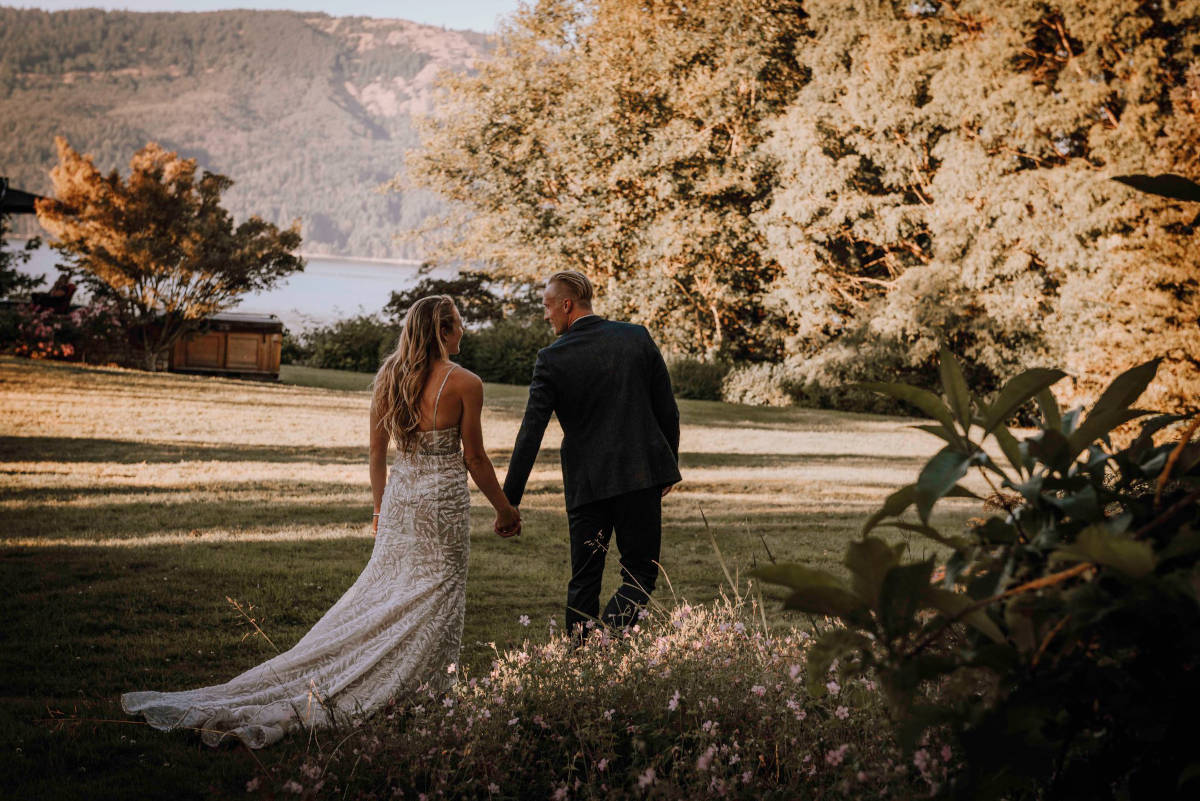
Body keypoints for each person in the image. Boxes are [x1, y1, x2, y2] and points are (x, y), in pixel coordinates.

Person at [121, 295, 520, 748]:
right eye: (460, 324)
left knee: (389, 592)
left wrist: (378, 508)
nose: (463, 331)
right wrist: (504, 510)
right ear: (444, 330)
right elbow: (475, 457)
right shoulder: (465, 382)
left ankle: (411, 682)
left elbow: (376, 454)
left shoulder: (389, 376)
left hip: (400, 503)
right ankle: (417, 688)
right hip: (442, 506)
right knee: (433, 594)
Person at [501, 270, 680, 641]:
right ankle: (607, 644)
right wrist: (666, 468)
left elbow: (529, 434)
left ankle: (581, 662)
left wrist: (509, 503)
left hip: (588, 484)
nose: (546, 314)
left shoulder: (551, 359)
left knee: (584, 579)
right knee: (641, 574)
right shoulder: (636, 337)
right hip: (640, 479)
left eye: (549, 306)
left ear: (567, 305)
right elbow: (668, 411)